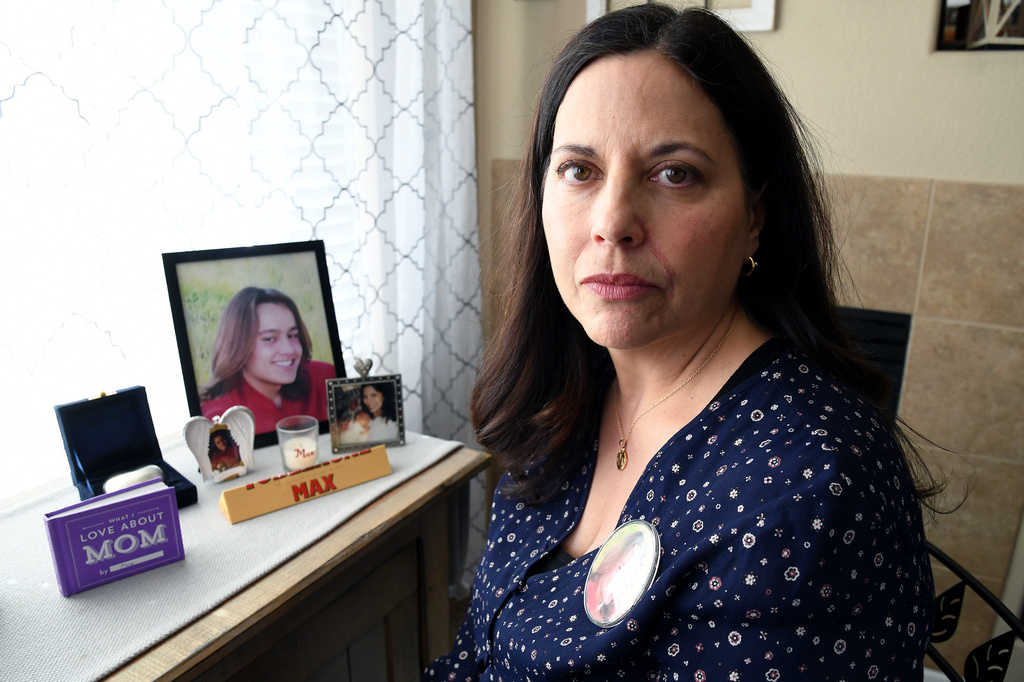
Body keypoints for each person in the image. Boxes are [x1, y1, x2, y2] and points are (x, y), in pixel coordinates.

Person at [424, 5, 938, 681]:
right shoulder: (571, 397)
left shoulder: (802, 493)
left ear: (754, 217)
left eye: (675, 174)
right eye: (579, 170)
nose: (612, 222)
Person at [200, 287, 336, 434]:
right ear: (238, 346)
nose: (289, 349)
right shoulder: (218, 419)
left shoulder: (324, 378)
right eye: (269, 339)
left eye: (292, 335)